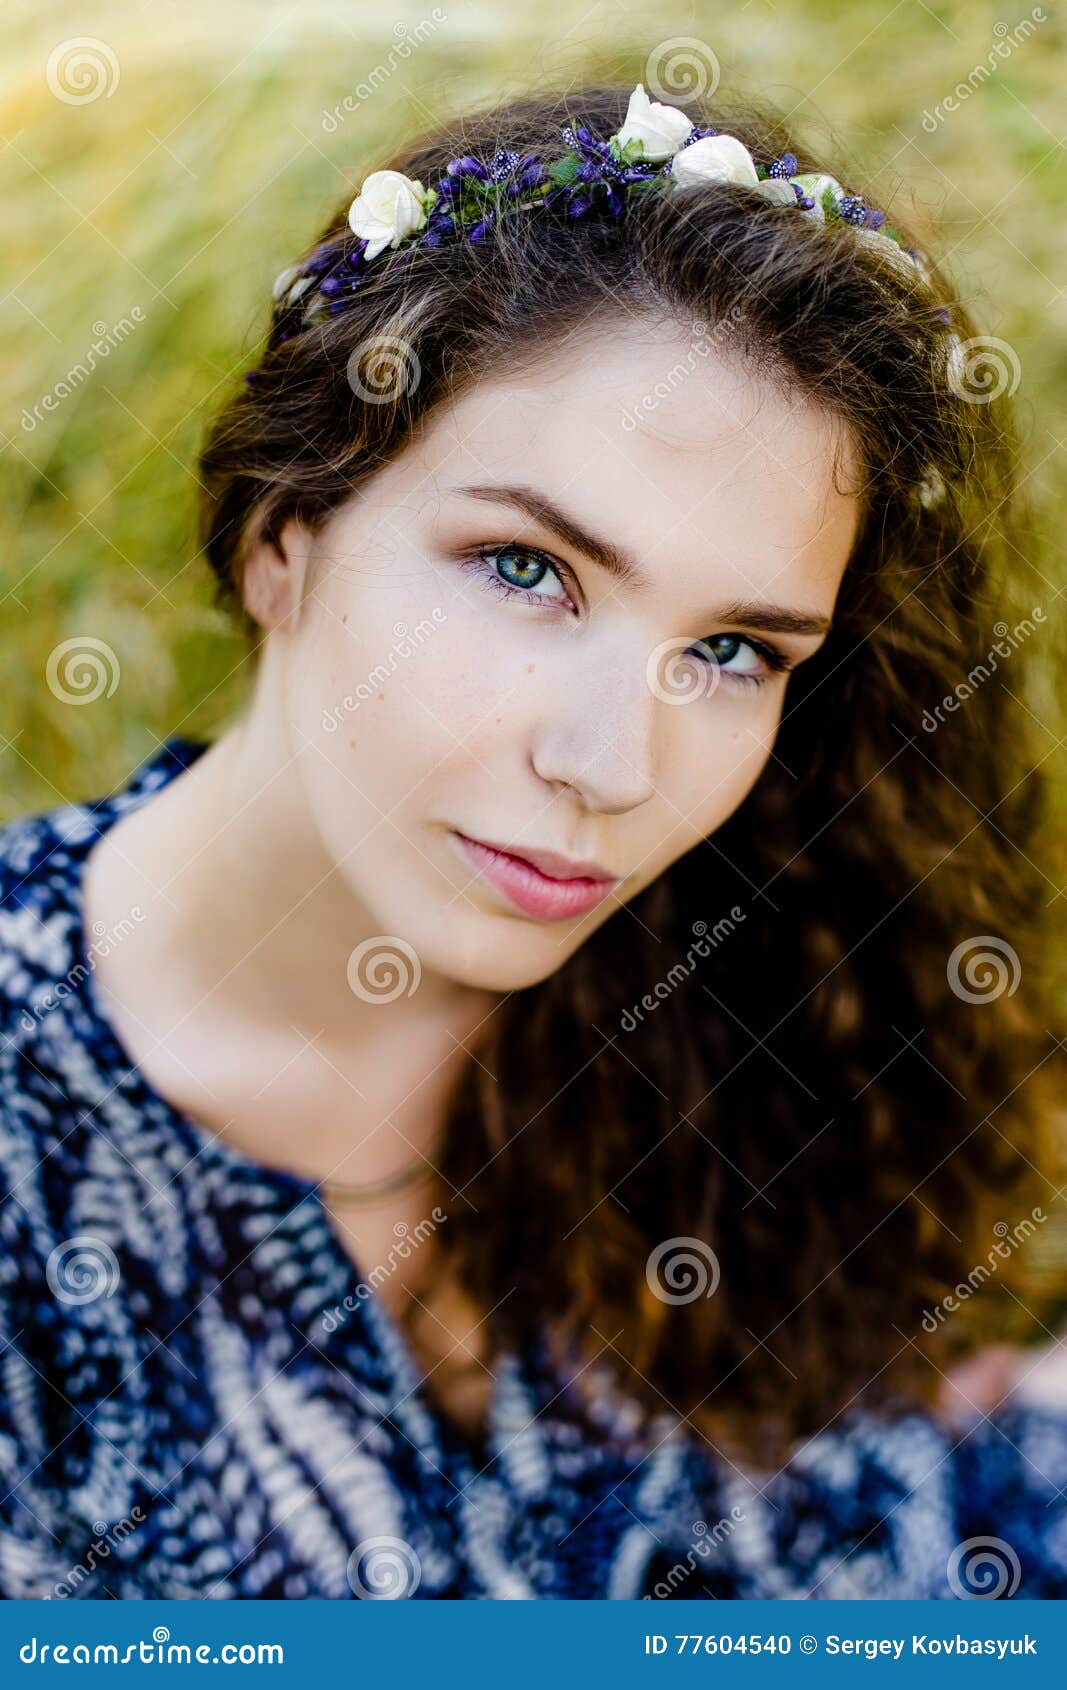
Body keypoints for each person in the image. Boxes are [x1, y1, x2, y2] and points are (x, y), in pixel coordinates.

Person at [2, 79, 1066, 1601]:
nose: (611, 764)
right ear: (282, 534)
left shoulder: (753, 1003)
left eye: (735, 651)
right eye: (526, 566)